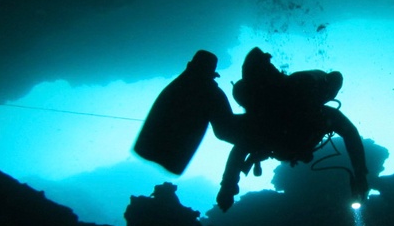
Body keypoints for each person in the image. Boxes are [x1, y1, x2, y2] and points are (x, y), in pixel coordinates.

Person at [151, 47, 368, 212]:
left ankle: (203, 78)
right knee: (224, 131)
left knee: (224, 130)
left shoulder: (317, 117)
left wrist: (228, 186)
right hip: (264, 122)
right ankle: (205, 83)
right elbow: (351, 135)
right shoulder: (321, 117)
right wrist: (228, 186)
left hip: (261, 123)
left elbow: (242, 148)